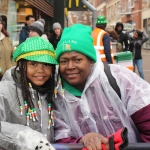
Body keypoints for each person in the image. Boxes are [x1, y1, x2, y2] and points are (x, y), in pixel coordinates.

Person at [53, 24, 150, 150]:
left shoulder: (119, 78)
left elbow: (147, 122)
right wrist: (82, 140)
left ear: (91, 60)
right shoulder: (57, 93)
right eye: (63, 61)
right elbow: (62, 138)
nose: (70, 66)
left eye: (77, 60)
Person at [0, 36, 57, 150]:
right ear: (21, 65)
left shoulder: (52, 90)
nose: (40, 70)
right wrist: (27, 137)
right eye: (33, 64)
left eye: (46, 64)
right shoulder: (4, 91)